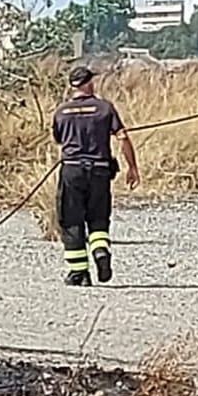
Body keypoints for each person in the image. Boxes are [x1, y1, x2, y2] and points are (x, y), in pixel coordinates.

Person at [50, 65, 139, 286]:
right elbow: (123, 137)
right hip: (100, 170)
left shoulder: (61, 111)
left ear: (72, 86)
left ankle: (78, 272)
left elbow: (59, 139)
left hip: (72, 170)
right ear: (89, 83)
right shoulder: (104, 108)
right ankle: (100, 251)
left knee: (71, 220)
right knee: (98, 217)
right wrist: (132, 167)